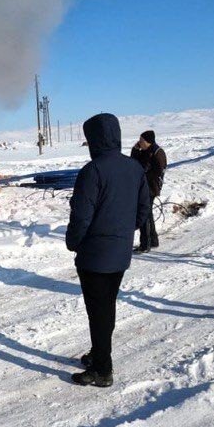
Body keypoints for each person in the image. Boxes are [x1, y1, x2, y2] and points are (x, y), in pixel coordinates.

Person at [66, 113, 149, 387]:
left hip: (94, 256)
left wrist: (73, 242)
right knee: (106, 308)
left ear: (94, 139)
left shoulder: (92, 171)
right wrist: (124, 232)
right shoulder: (134, 168)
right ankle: (98, 353)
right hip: (120, 254)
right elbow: (143, 209)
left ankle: (102, 370)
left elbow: (81, 216)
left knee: (98, 312)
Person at [130, 130, 167, 253]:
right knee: (147, 214)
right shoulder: (146, 151)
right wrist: (135, 150)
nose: (139, 142)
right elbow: (134, 163)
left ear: (148, 141)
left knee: (144, 214)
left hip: (150, 188)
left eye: (141, 140)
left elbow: (157, 172)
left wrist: (143, 176)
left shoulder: (157, 153)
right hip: (145, 187)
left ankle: (145, 244)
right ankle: (153, 240)